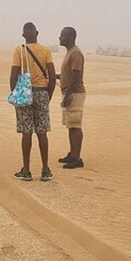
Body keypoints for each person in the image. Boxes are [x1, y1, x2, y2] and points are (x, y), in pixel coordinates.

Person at [9, 22, 56, 181]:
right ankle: (45, 169)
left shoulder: (19, 50)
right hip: (42, 92)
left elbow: (13, 75)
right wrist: (48, 95)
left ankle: (27, 170)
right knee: (42, 132)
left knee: (26, 131)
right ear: (37, 33)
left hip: (25, 93)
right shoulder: (45, 50)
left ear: (23, 35)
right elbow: (51, 74)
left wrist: (15, 94)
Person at [57, 26, 86, 169]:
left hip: (74, 94)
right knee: (70, 125)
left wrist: (68, 94)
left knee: (75, 125)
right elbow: (68, 74)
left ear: (70, 37)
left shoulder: (75, 53)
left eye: (62, 35)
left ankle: (77, 158)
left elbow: (76, 74)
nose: (59, 38)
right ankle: (72, 154)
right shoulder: (70, 52)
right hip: (69, 93)